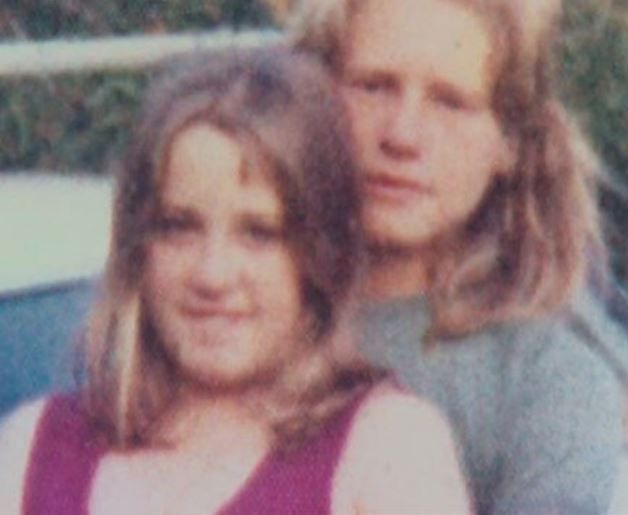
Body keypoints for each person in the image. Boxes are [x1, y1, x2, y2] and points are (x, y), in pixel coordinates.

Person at [0, 47, 469, 514]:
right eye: (179, 227)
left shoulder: (385, 449)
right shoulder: (34, 448)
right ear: (136, 247)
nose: (213, 274)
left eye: (258, 233)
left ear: (321, 254)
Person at [289, 0, 624, 513]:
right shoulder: (211, 311)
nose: (402, 135)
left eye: (450, 103)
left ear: (510, 141)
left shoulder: (546, 380)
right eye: (373, 87)